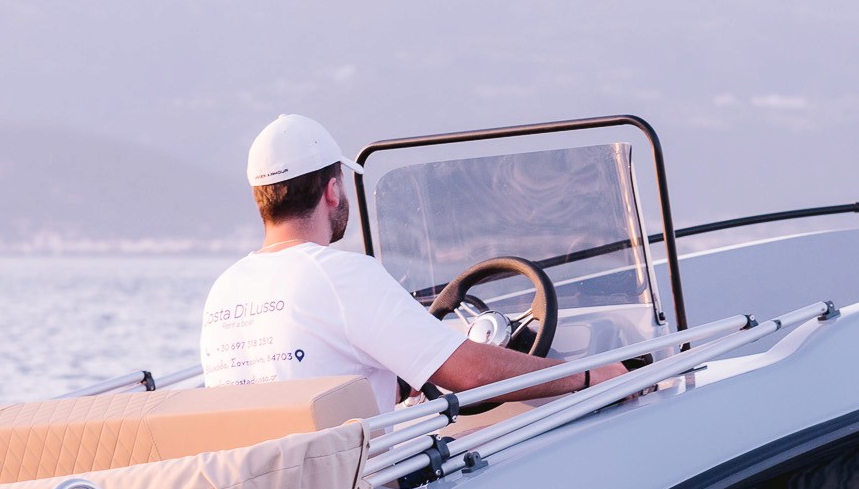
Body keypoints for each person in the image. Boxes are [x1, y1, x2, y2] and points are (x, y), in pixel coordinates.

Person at [201, 115, 627, 413]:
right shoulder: (342, 276)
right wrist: (592, 375)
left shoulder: (225, 288)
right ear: (332, 190)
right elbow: (473, 376)